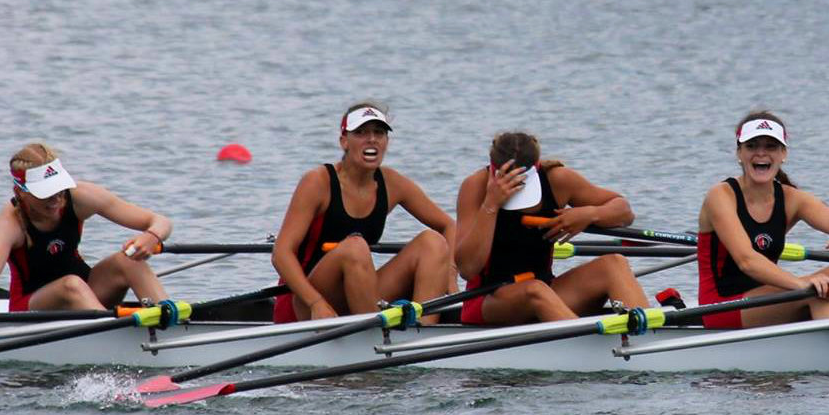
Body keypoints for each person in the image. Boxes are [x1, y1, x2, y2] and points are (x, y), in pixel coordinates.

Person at [270, 102, 457, 323]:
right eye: (361, 132)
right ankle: (376, 337)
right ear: (344, 142)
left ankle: (422, 338)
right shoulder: (318, 182)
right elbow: (281, 254)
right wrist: (316, 303)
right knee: (355, 247)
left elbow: (449, 226)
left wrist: (451, 274)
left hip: (358, 296)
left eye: (379, 132)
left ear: (387, 142)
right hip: (305, 302)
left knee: (433, 242)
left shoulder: (392, 183)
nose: (372, 139)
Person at [695, 111, 829, 328]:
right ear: (739, 153)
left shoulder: (791, 199)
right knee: (816, 291)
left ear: (784, 154)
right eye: (752, 146)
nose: (761, 153)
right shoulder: (720, 196)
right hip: (721, 306)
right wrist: (801, 284)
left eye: (771, 146)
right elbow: (747, 261)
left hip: (766, 299)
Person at [0, 143, 172, 326]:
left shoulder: (81, 196)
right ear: (20, 192)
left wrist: (152, 236)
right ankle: (112, 336)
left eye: (58, 188)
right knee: (71, 284)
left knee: (129, 260)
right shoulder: (8, 223)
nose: (56, 198)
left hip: (86, 295)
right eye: (45, 192)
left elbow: (161, 222)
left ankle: (170, 318)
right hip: (30, 308)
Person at [452, 131, 649, 325]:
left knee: (614, 263)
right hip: (488, 300)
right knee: (535, 290)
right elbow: (467, 269)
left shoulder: (557, 179)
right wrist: (491, 204)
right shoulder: (475, 187)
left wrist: (589, 214)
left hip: (547, 290)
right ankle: (579, 346)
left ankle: (651, 337)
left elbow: (624, 211)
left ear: (535, 168)